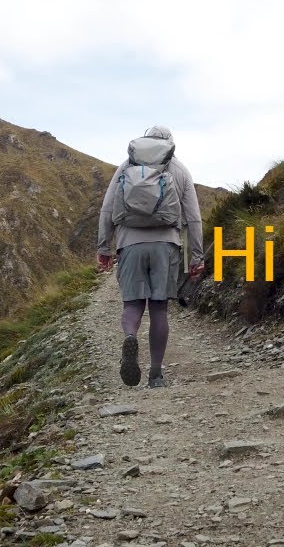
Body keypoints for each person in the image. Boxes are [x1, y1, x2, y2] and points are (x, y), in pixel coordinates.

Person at [97, 126, 204, 388]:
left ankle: (130, 335)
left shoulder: (126, 167)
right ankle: (155, 375)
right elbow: (193, 218)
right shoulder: (179, 170)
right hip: (165, 246)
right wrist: (196, 256)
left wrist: (104, 249)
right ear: (170, 145)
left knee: (132, 305)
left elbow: (107, 209)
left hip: (129, 244)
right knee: (159, 310)